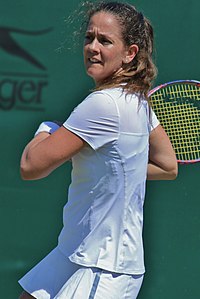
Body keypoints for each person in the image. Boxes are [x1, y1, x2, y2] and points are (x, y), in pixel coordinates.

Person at [18, 1, 178, 299]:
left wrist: (47, 128)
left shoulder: (102, 105)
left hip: (103, 266)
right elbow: (168, 167)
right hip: (75, 248)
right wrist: (111, 171)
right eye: (89, 37)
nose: (92, 47)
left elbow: (31, 166)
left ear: (130, 53)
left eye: (105, 40)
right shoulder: (137, 100)